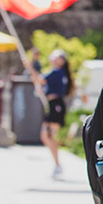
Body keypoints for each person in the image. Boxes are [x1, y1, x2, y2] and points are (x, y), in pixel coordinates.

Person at [25, 50, 74, 178]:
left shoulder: (57, 72)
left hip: (56, 105)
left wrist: (30, 66)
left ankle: (57, 164)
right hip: (53, 105)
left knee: (50, 136)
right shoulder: (58, 73)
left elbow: (40, 80)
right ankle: (57, 162)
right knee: (45, 136)